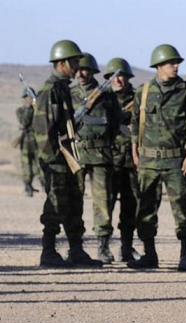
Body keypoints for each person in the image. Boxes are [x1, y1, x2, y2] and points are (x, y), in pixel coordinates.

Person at [128, 44, 186, 271]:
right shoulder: (143, 91)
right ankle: (150, 255)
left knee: (183, 207)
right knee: (146, 207)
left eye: (177, 63)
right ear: (159, 65)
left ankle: (184, 255)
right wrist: (134, 153)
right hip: (148, 160)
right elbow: (134, 126)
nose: (176, 66)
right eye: (171, 63)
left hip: (175, 160)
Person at [32, 39, 102, 268]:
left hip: (68, 158)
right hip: (57, 161)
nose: (76, 66)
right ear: (61, 62)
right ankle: (49, 251)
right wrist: (53, 161)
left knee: (74, 204)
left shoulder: (62, 88)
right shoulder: (50, 90)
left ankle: (76, 250)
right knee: (55, 204)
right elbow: (42, 131)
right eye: (72, 62)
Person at [71, 53, 121, 264]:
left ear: (93, 72)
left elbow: (115, 124)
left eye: (86, 70)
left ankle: (103, 246)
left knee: (103, 202)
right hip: (78, 155)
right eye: (79, 70)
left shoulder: (107, 96)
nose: (82, 74)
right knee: (74, 201)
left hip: (101, 155)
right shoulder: (70, 94)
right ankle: (75, 246)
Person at [105, 57, 141, 262]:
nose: (118, 80)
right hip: (110, 162)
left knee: (130, 208)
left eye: (122, 76)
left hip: (131, 162)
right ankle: (103, 248)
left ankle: (126, 248)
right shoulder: (103, 99)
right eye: (114, 76)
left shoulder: (137, 99)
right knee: (106, 207)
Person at [16, 88, 44, 197]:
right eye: (27, 98)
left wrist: (36, 107)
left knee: (39, 164)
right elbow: (24, 121)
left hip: (38, 141)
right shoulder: (21, 111)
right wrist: (29, 108)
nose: (28, 100)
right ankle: (28, 187)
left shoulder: (39, 110)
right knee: (26, 164)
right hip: (26, 141)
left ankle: (43, 184)